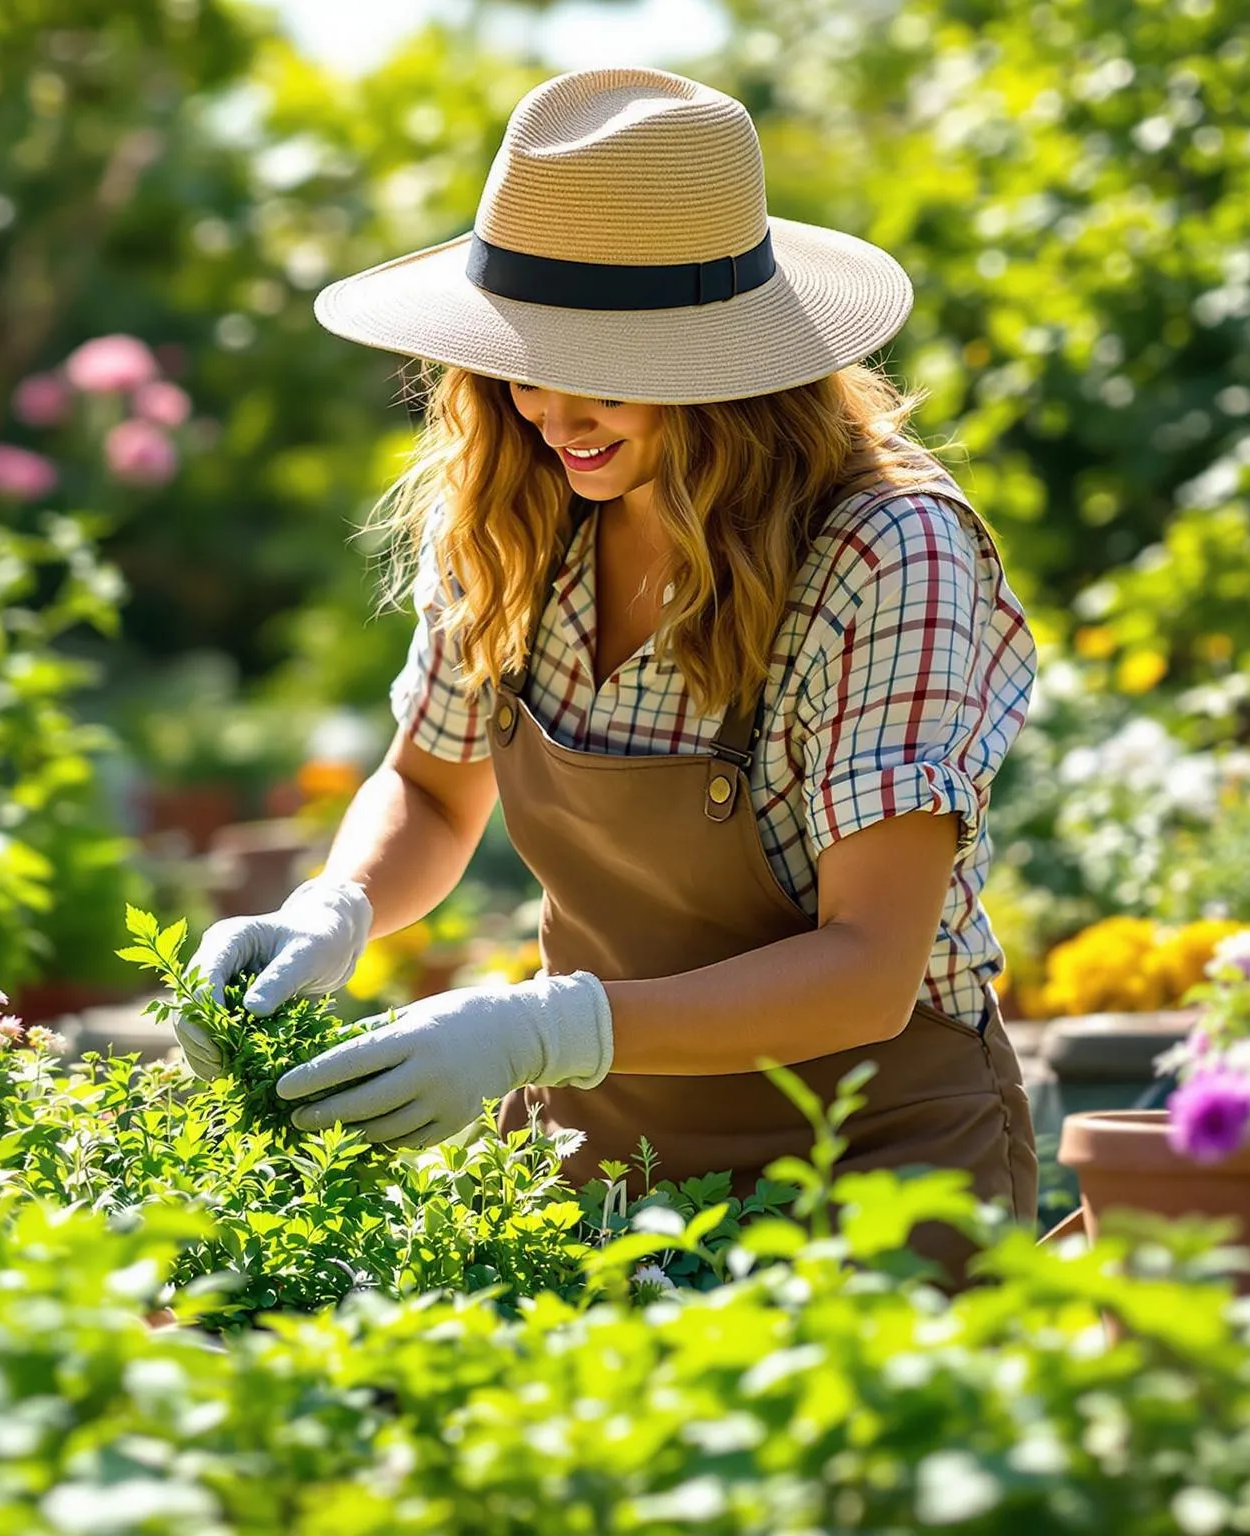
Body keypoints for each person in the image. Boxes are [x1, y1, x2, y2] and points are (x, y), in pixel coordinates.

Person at [179, 66, 1039, 1228]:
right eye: (524, 364)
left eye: (606, 378)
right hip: (598, 1171)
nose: (550, 414)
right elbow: (432, 795)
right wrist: (328, 913)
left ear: (729, 371)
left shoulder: (884, 554)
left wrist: (541, 1029)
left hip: (866, 1169)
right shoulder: (519, 518)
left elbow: (866, 966)